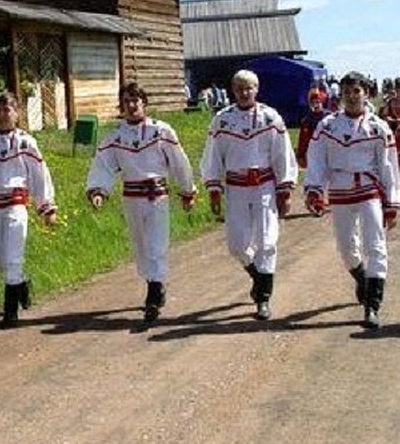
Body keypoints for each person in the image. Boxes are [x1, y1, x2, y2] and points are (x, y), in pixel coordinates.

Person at [86, 82, 197, 322]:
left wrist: (187, 190)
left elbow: (178, 161)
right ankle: (154, 283)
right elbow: (103, 165)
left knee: (157, 244)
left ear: (144, 103)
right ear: (121, 106)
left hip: (156, 196)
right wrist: (99, 190)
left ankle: (153, 295)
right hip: (131, 198)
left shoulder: (161, 131)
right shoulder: (115, 137)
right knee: (141, 247)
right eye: (127, 101)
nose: (132, 105)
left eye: (136, 100)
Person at [303, 71, 400, 329]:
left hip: (369, 190)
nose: (351, 97)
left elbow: (389, 165)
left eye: (356, 91)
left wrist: (391, 203)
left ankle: (372, 305)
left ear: (365, 93)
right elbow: (316, 159)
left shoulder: (379, 127)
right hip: (340, 190)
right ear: (340, 96)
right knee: (347, 249)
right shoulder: (327, 126)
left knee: (375, 246)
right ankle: (361, 277)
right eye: (346, 92)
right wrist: (314, 189)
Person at [200, 69, 297, 320]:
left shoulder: (270, 118)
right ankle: (258, 276)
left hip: (264, 185)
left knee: (267, 240)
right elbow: (213, 155)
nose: (245, 92)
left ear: (257, 89)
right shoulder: (222, 120)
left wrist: (285, 188)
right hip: (236, 187)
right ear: (233, 91)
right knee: (236, 245)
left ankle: (263, 298)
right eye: (240, 88)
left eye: (249, 88)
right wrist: (213, 188)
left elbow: (282, 153)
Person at [0, 92, 57, 328]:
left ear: (17, 114)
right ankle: (21, 284)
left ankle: (10, 312)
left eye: (7, 109)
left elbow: (39, 175)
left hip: (16, 204)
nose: (2, 114)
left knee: (13, 255)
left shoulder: (26, 143)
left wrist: (46, 206)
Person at [297, 88, 329, 168]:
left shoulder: (329, 118)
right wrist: (300, 155)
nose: (316, 104)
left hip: (327, 152)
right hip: (312, 153)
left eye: (318, 102)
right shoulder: (306, 120)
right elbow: (302, 139)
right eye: (313, 102)